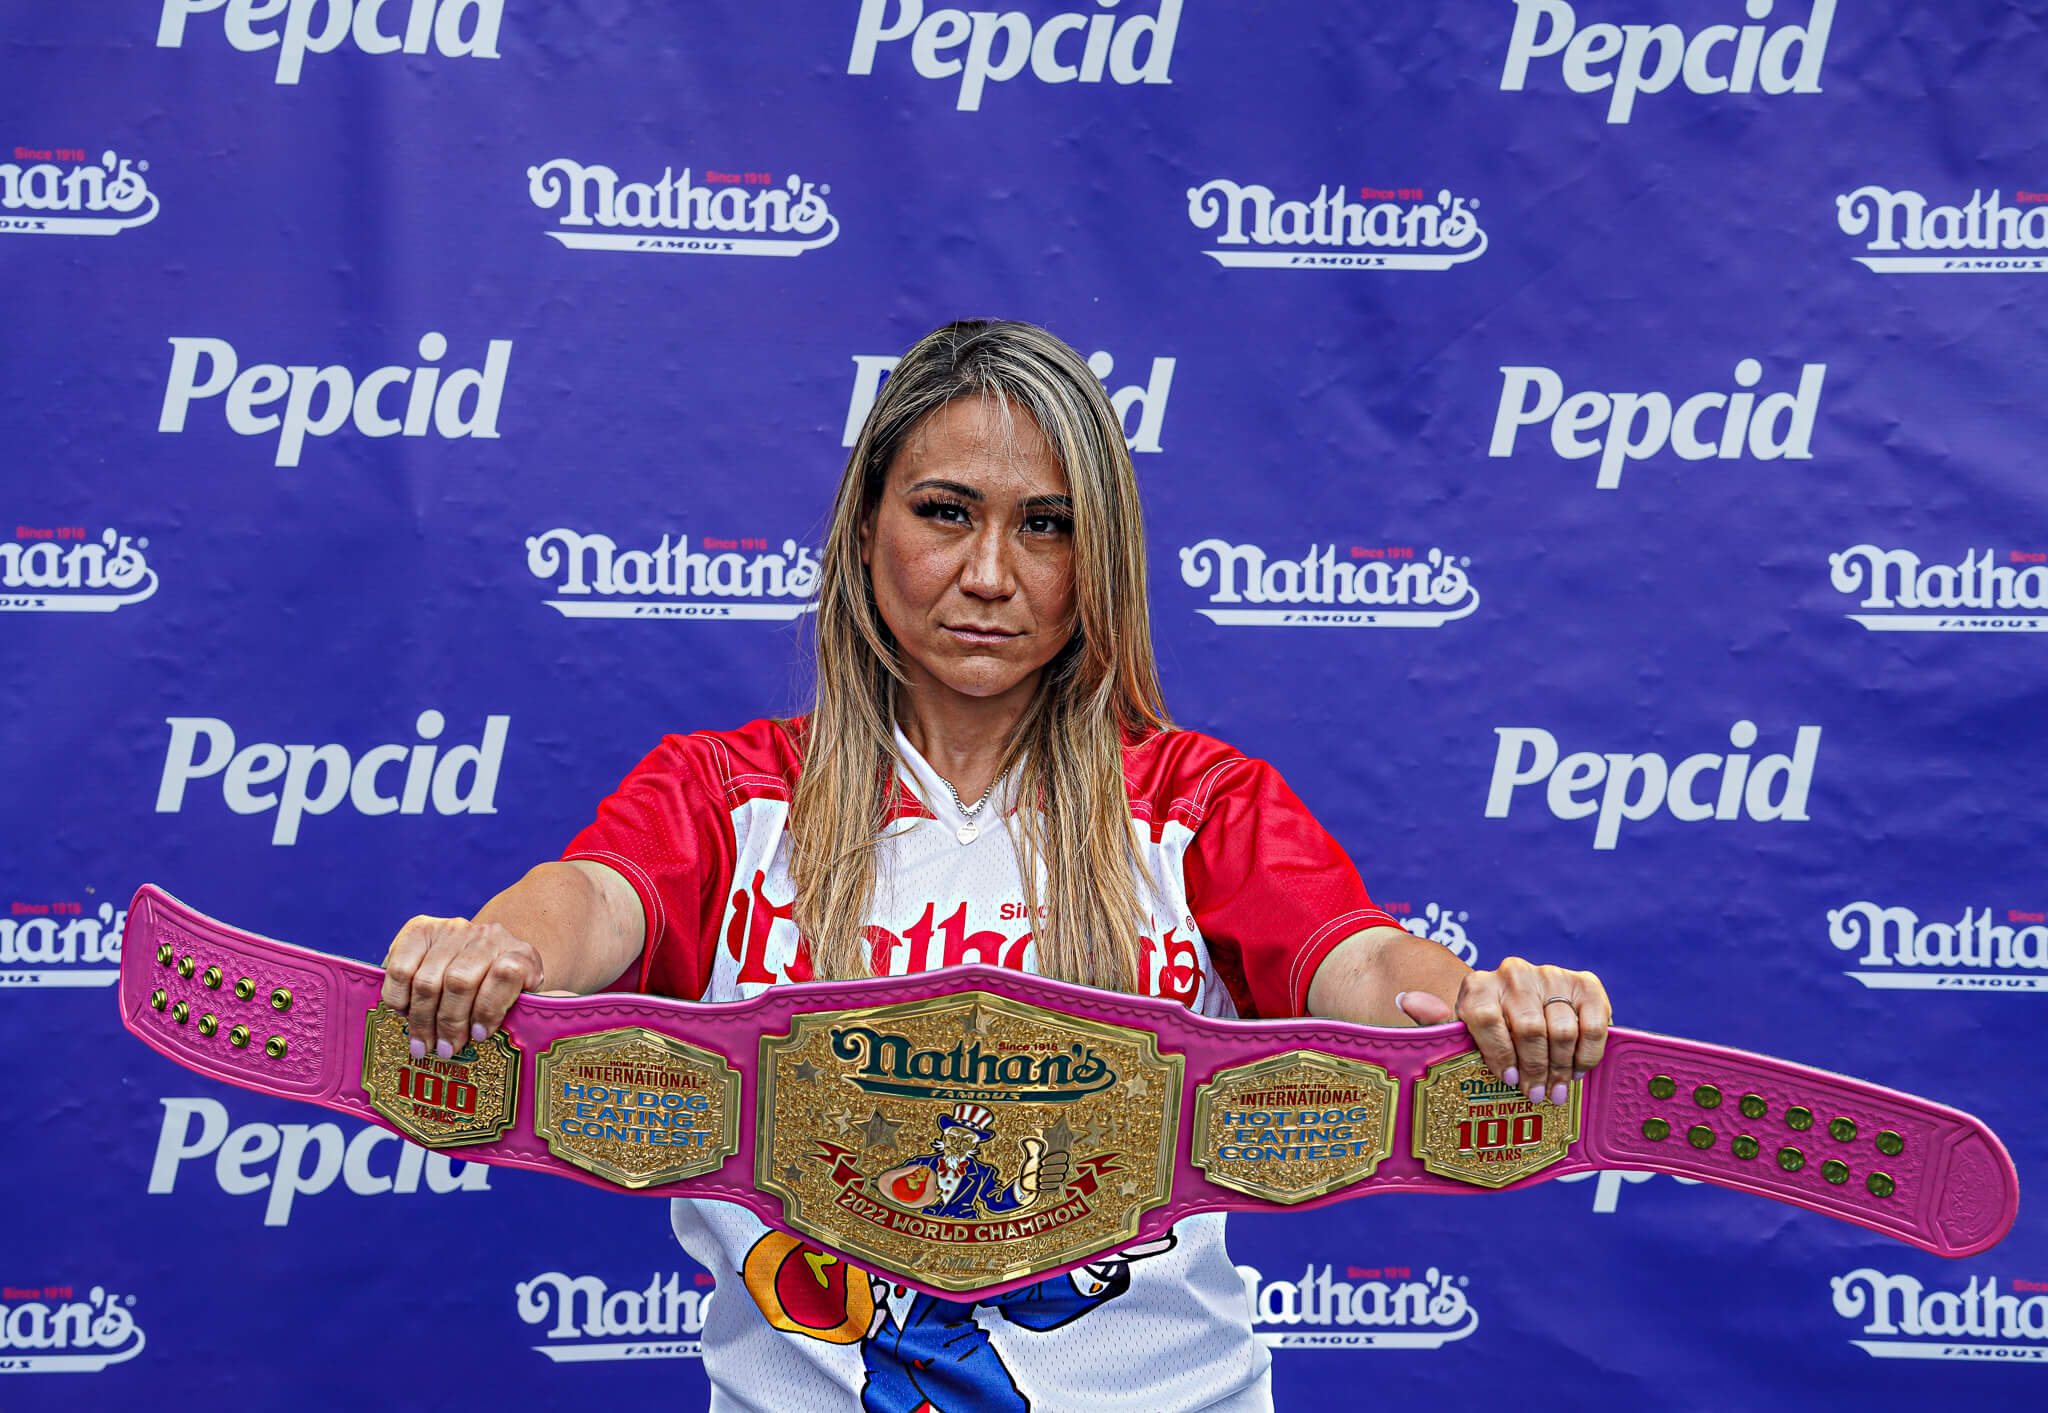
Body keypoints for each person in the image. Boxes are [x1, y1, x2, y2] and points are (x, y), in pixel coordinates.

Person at [379, 319, 1612, 1412]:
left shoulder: (1194, 799)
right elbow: (594, 897)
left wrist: (1476, 1007)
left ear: (1100, 562)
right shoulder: (732, 791)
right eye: (945, 511)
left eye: (1046, 527)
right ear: (868, 526)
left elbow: (1354, 959)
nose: (987, 574)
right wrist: (499, 949)